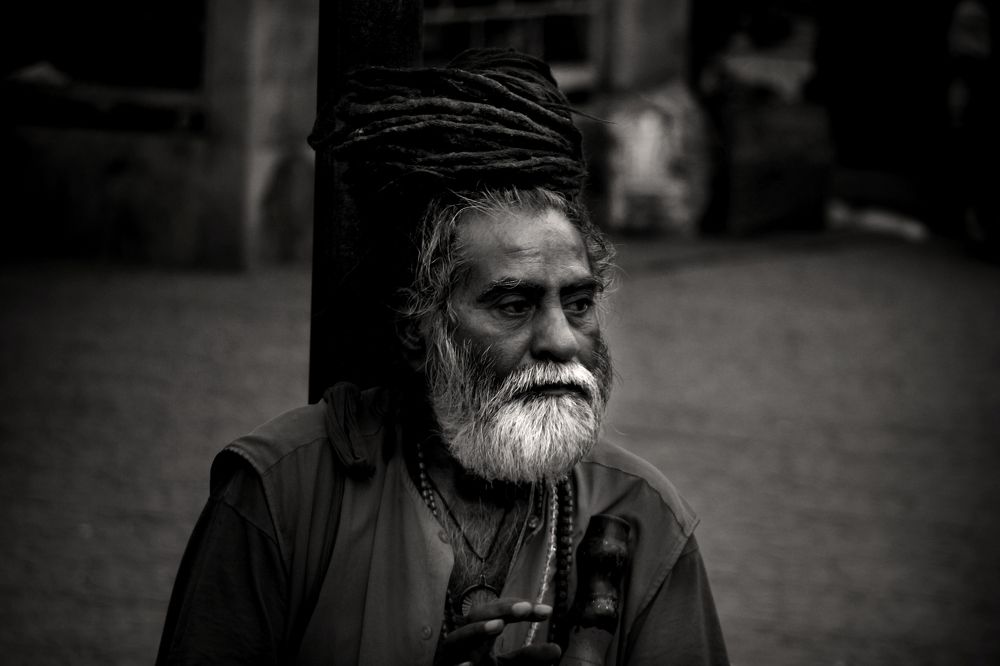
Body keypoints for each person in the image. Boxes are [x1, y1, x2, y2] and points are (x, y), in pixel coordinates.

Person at [157, 49, 729, 666]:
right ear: (419, 327)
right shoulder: (282, 493)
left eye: (580, 302)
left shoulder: (644, 517)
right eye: (514, 304)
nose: (562, 341)